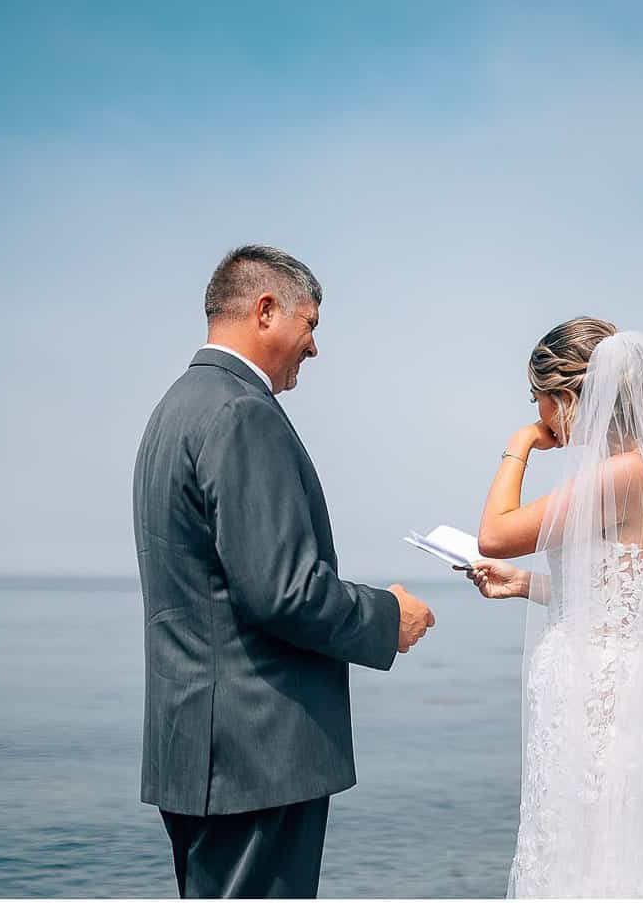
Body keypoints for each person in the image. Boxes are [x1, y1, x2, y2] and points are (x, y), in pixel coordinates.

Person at [133, 245, 435, 898]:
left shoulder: (175, 408)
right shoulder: (243, 413)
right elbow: (283, 592)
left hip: (194, 747)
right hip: (255, 751)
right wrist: (389, 616)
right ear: (266, 310)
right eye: (312, 324)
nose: (315, 347)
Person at [461, 317, 643, 897]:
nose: (540, 415)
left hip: (598, 698)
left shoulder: (622, 473)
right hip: (612, 685)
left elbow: (494, 534)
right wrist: (525, 585)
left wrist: (521, 443)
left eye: (540, 400)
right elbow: (626, 594)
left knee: (595, 849)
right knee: (599, 841)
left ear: (568, 397)